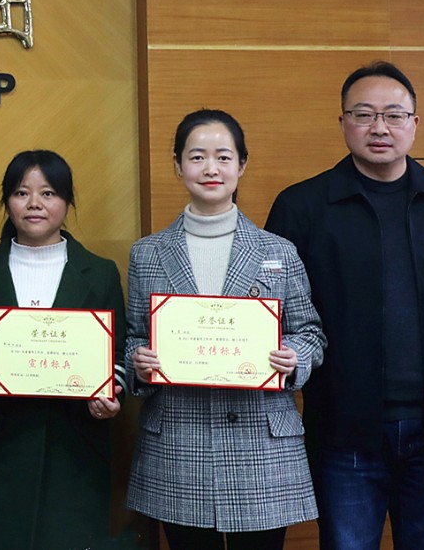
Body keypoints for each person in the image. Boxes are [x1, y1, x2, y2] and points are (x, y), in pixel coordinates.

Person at [265, 62, 424, 550]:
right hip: (344, 428)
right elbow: (277, 313)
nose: (379, 127)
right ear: (343, 122)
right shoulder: (302, 207)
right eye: (364, 114)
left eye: (393, 114)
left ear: (415, 122)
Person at [125, 109, 326, 550]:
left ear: (242, 165)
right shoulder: (148, 254)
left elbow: (311, 333)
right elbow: (134, 337)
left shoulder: (279, 251)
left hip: (262, 444)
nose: (210, 168)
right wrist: (139, 361)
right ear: (178, 165)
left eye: (223, 157)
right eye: (197, 157)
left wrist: (294, 357)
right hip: (180, 442)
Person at [0, 150, 127, 550]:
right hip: (0, 445)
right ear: (7, 202)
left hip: (76, 445)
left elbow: (118, 355)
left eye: (48, 193)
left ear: (67, 202)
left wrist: (111, 393)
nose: (34, 203)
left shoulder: (100, 272)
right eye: (22, 193)